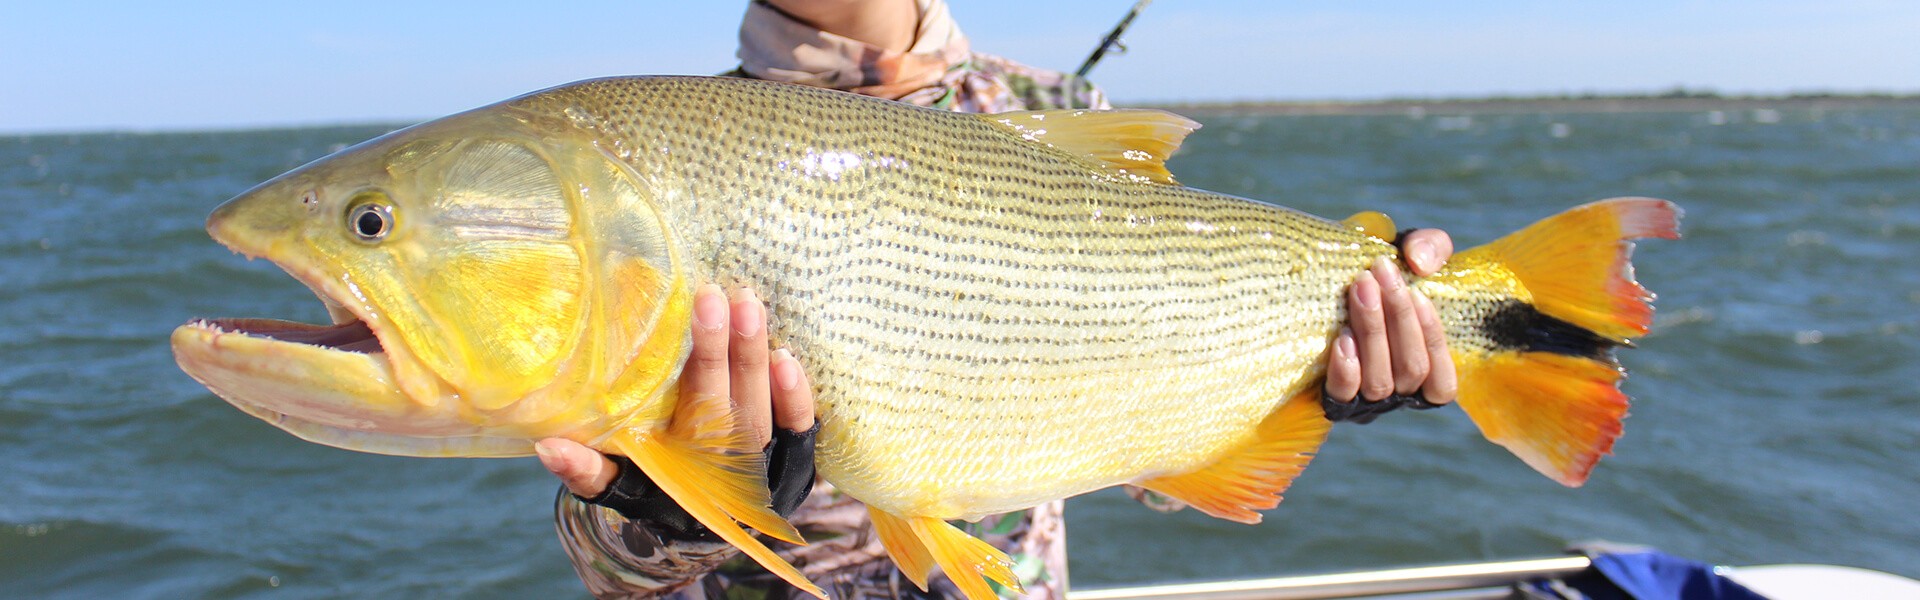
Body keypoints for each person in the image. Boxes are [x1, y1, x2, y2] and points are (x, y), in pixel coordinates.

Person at [534, 1, 1458, 597]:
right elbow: (605, 560)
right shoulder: (657, 152)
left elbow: (1151, 470)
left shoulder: (1058, 104)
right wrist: (666, 514)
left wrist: (1319, 376)